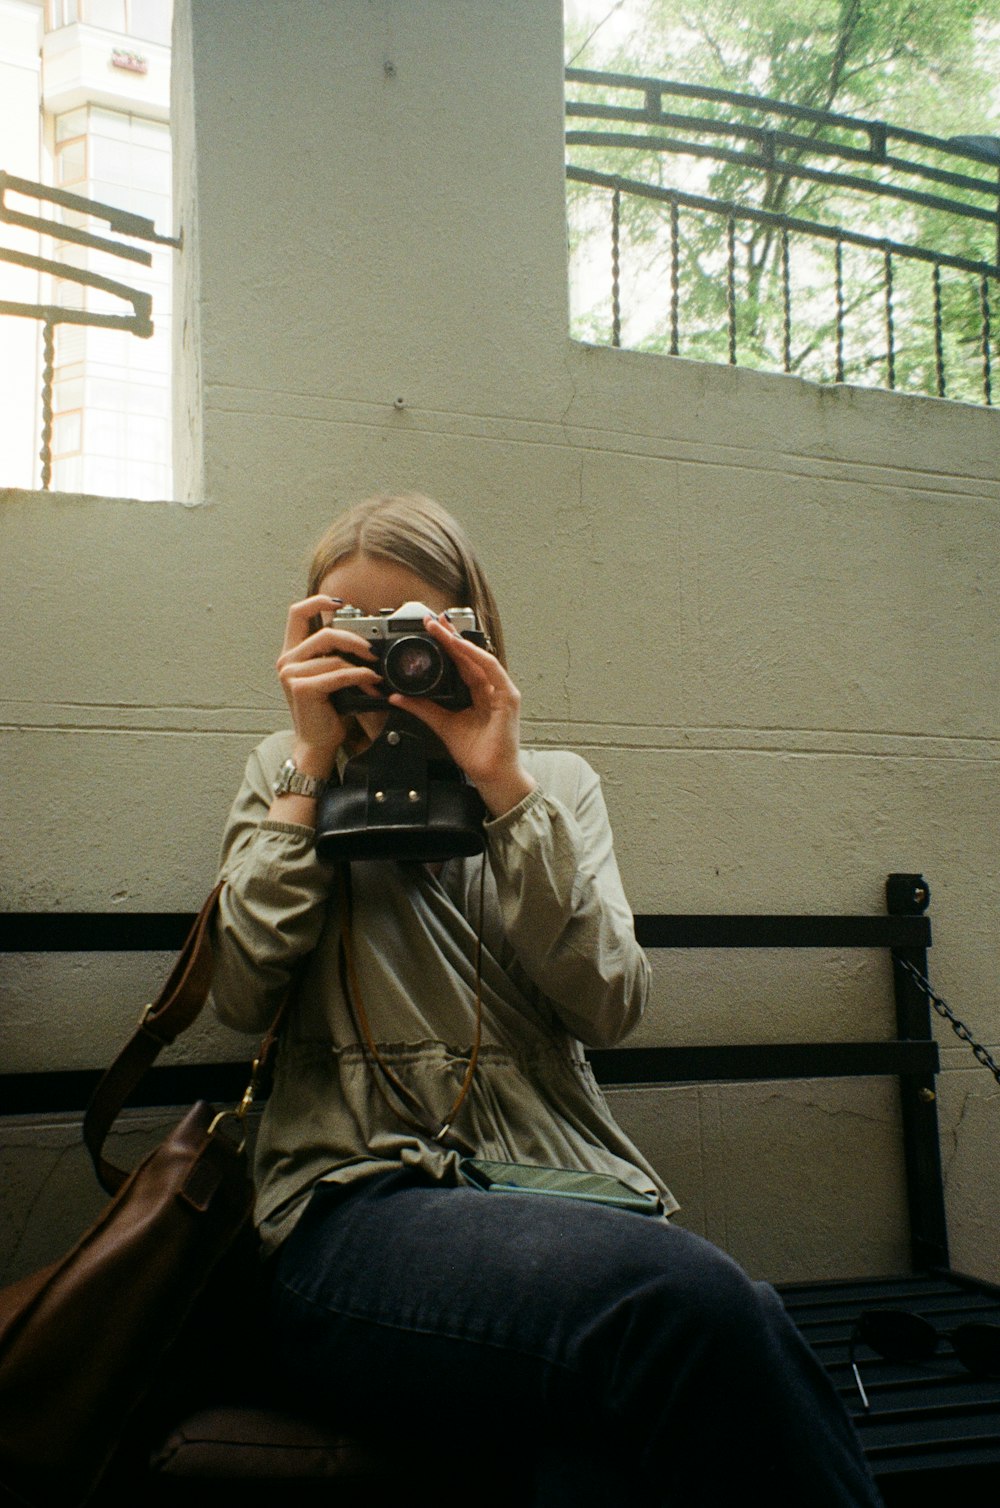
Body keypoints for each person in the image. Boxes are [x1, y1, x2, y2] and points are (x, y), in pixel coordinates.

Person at [210, 492, 883, 1506]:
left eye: (413, 638)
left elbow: (609, 1004)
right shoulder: (283, 772)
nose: (387, 669)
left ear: (471, 634)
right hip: (353, 1202)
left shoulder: (552, 785)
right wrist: (309, 761)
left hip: (557, 1198)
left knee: (598, 1456)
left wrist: (506, 788)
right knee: (692, 1301)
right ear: (310, 636)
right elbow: (241, 985)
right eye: (354, 635)